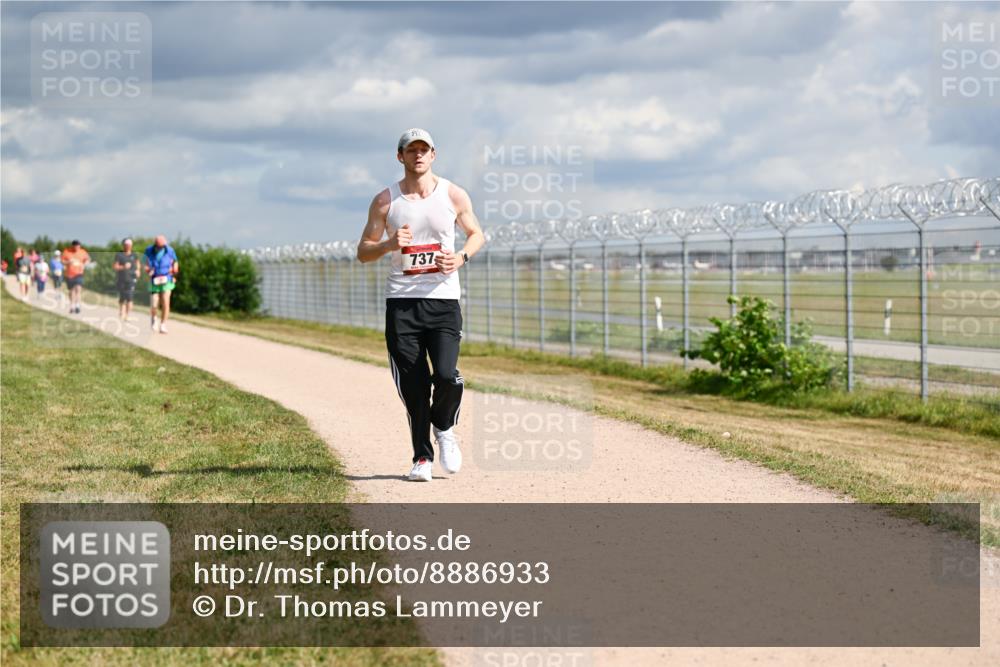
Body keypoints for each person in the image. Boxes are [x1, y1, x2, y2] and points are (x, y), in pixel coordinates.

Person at [357, 128, 486, 482]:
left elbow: (477, 235)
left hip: (443, 300)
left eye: (424, 150)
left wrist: (460, 257)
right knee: (414, 387)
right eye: (410, 150)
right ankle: (422, 459)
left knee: (445, 375)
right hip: (402, 303)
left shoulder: (453, 194)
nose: (418, 155)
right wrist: (388, 245)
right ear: (400, 156)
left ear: (433, 155)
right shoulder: (385, 202)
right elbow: (362, 252)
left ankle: (444, 425)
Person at [144, 235, 179, 334]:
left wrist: (175, 269)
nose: (160, 248)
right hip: (154, 279)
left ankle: (163, 324)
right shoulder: (149, 250)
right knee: (154, 302)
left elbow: (175, 262)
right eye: (158, 246)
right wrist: (148, 270)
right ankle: (154, 318)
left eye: (162, 246)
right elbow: (145, 265)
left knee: (165, 302)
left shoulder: (170, 251)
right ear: (155, 244)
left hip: (166, 278)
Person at [113, 238, 141, 320]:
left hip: (131, 279)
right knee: (122, 297)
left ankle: (127, 315)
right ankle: (121, 311)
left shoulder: (134, 255)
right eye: (126, 245)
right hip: (121, 279)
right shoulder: (119, 255)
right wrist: (123, 267)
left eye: (130, 245)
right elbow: (115, 266)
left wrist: (138, 270)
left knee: (130, 297)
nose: (128, 246)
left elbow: (138, 263)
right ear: (124, 245)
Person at [60, 240, 90, 314]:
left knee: (78, 288)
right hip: (69, 274)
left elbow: (88, 259)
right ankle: (72, 306)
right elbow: (62, 261)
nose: (77, 247)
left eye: (78, 245)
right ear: (72, 246)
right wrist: (68, 262)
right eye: (75, 245)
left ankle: (77, 306)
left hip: (79, 273)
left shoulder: (83, 252)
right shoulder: (67, 251)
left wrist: (84, 264)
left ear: (80, 245)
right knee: (71, 290)